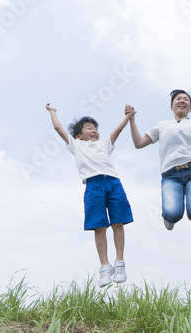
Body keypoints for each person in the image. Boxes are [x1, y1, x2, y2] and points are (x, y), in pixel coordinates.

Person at [46, 103, 134, 288]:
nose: (94, 131)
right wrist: (53, 111)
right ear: (78, 135)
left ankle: (119, 263)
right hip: (93, 186)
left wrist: (128, 116)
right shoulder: (76, 145)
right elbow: (58, 128)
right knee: (99, 227)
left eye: (95, 128)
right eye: (89, 128)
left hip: (113, 182)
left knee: (118, 222)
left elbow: (118, 130)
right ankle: (104, 266)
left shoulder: (104, 145)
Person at [125, 87, 191, 230]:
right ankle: (171, 215)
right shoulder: (162, 125)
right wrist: (131, 119)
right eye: (178, 99)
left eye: (186, 99)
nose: (182, 100)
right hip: (171, 175)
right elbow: (139, 143)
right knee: (171, 215)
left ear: (190, 108)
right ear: (171, 107)